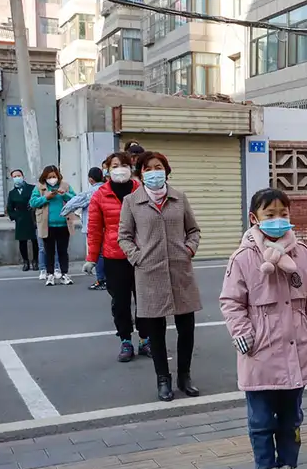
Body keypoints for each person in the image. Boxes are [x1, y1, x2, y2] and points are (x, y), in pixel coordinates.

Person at [220, 188, 307, 469]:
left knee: (292, 418)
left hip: (297, 351)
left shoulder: (302, 254)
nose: (278, 220)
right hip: (260, 353)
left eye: (283, 213)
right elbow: (231, 302)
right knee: (261, 420)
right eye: (270, 214)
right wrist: (242, 332)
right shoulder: (243, 258)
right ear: (254, 218)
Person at [118, 151, 202, 402]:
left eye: (158, 167)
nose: (154, 172)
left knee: (186, 328)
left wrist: (189, 249)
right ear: (140, 173)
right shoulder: (132, 202)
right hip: (149, 272)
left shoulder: (179, 198)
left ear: (166, 170)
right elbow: (124, 236)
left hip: (180, 270)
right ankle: (162, 379)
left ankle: (184, 376)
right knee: (156, 331)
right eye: (148, 168)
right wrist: (137, 257)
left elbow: (193, 230)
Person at [86, 152, 151, 362]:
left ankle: (145, 338)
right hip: (114, 256)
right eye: (115, 165)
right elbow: (95, 228)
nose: (120, 168)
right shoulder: (100, 195)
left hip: (141, 255)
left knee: (144, 299)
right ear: (107, 168)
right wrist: (91, 258)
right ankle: (125, 340)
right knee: (120, 302)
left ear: (131, 167)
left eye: (124, 164)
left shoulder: (141, 190)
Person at [29, 165, 77, 286]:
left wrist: (64, 194)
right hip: (47, 225)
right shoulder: (39, 188)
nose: (52, 179)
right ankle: (50, 275)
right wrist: (46, 197)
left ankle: (64, 274)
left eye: (54, 176)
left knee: (63, 251)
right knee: (48, 251)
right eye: (49, 177)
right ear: (45, 177)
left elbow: (75, 199)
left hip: (63, 224)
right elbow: (33, 202)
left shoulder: (65, 186)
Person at [62, 167, 107, 290]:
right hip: (109, 227)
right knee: (108, 253)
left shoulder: (90, 192)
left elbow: (71, 205)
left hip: (93, 227)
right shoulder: (108, 189)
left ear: (90, 179)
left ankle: (101, 280)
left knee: (97, 254)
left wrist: (64, 212)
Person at [6, 169, 39, 272]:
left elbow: (37, 200)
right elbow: (9, 208)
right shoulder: (12, 193)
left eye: (18, 175)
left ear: (23, 176)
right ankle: (25, 261)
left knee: (34, 240)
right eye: (15, 176)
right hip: (20, 218)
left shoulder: (32, 188)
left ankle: (35, 261)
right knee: (22, 241)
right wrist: (15, 216)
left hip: (32, 217)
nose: (17, 178)